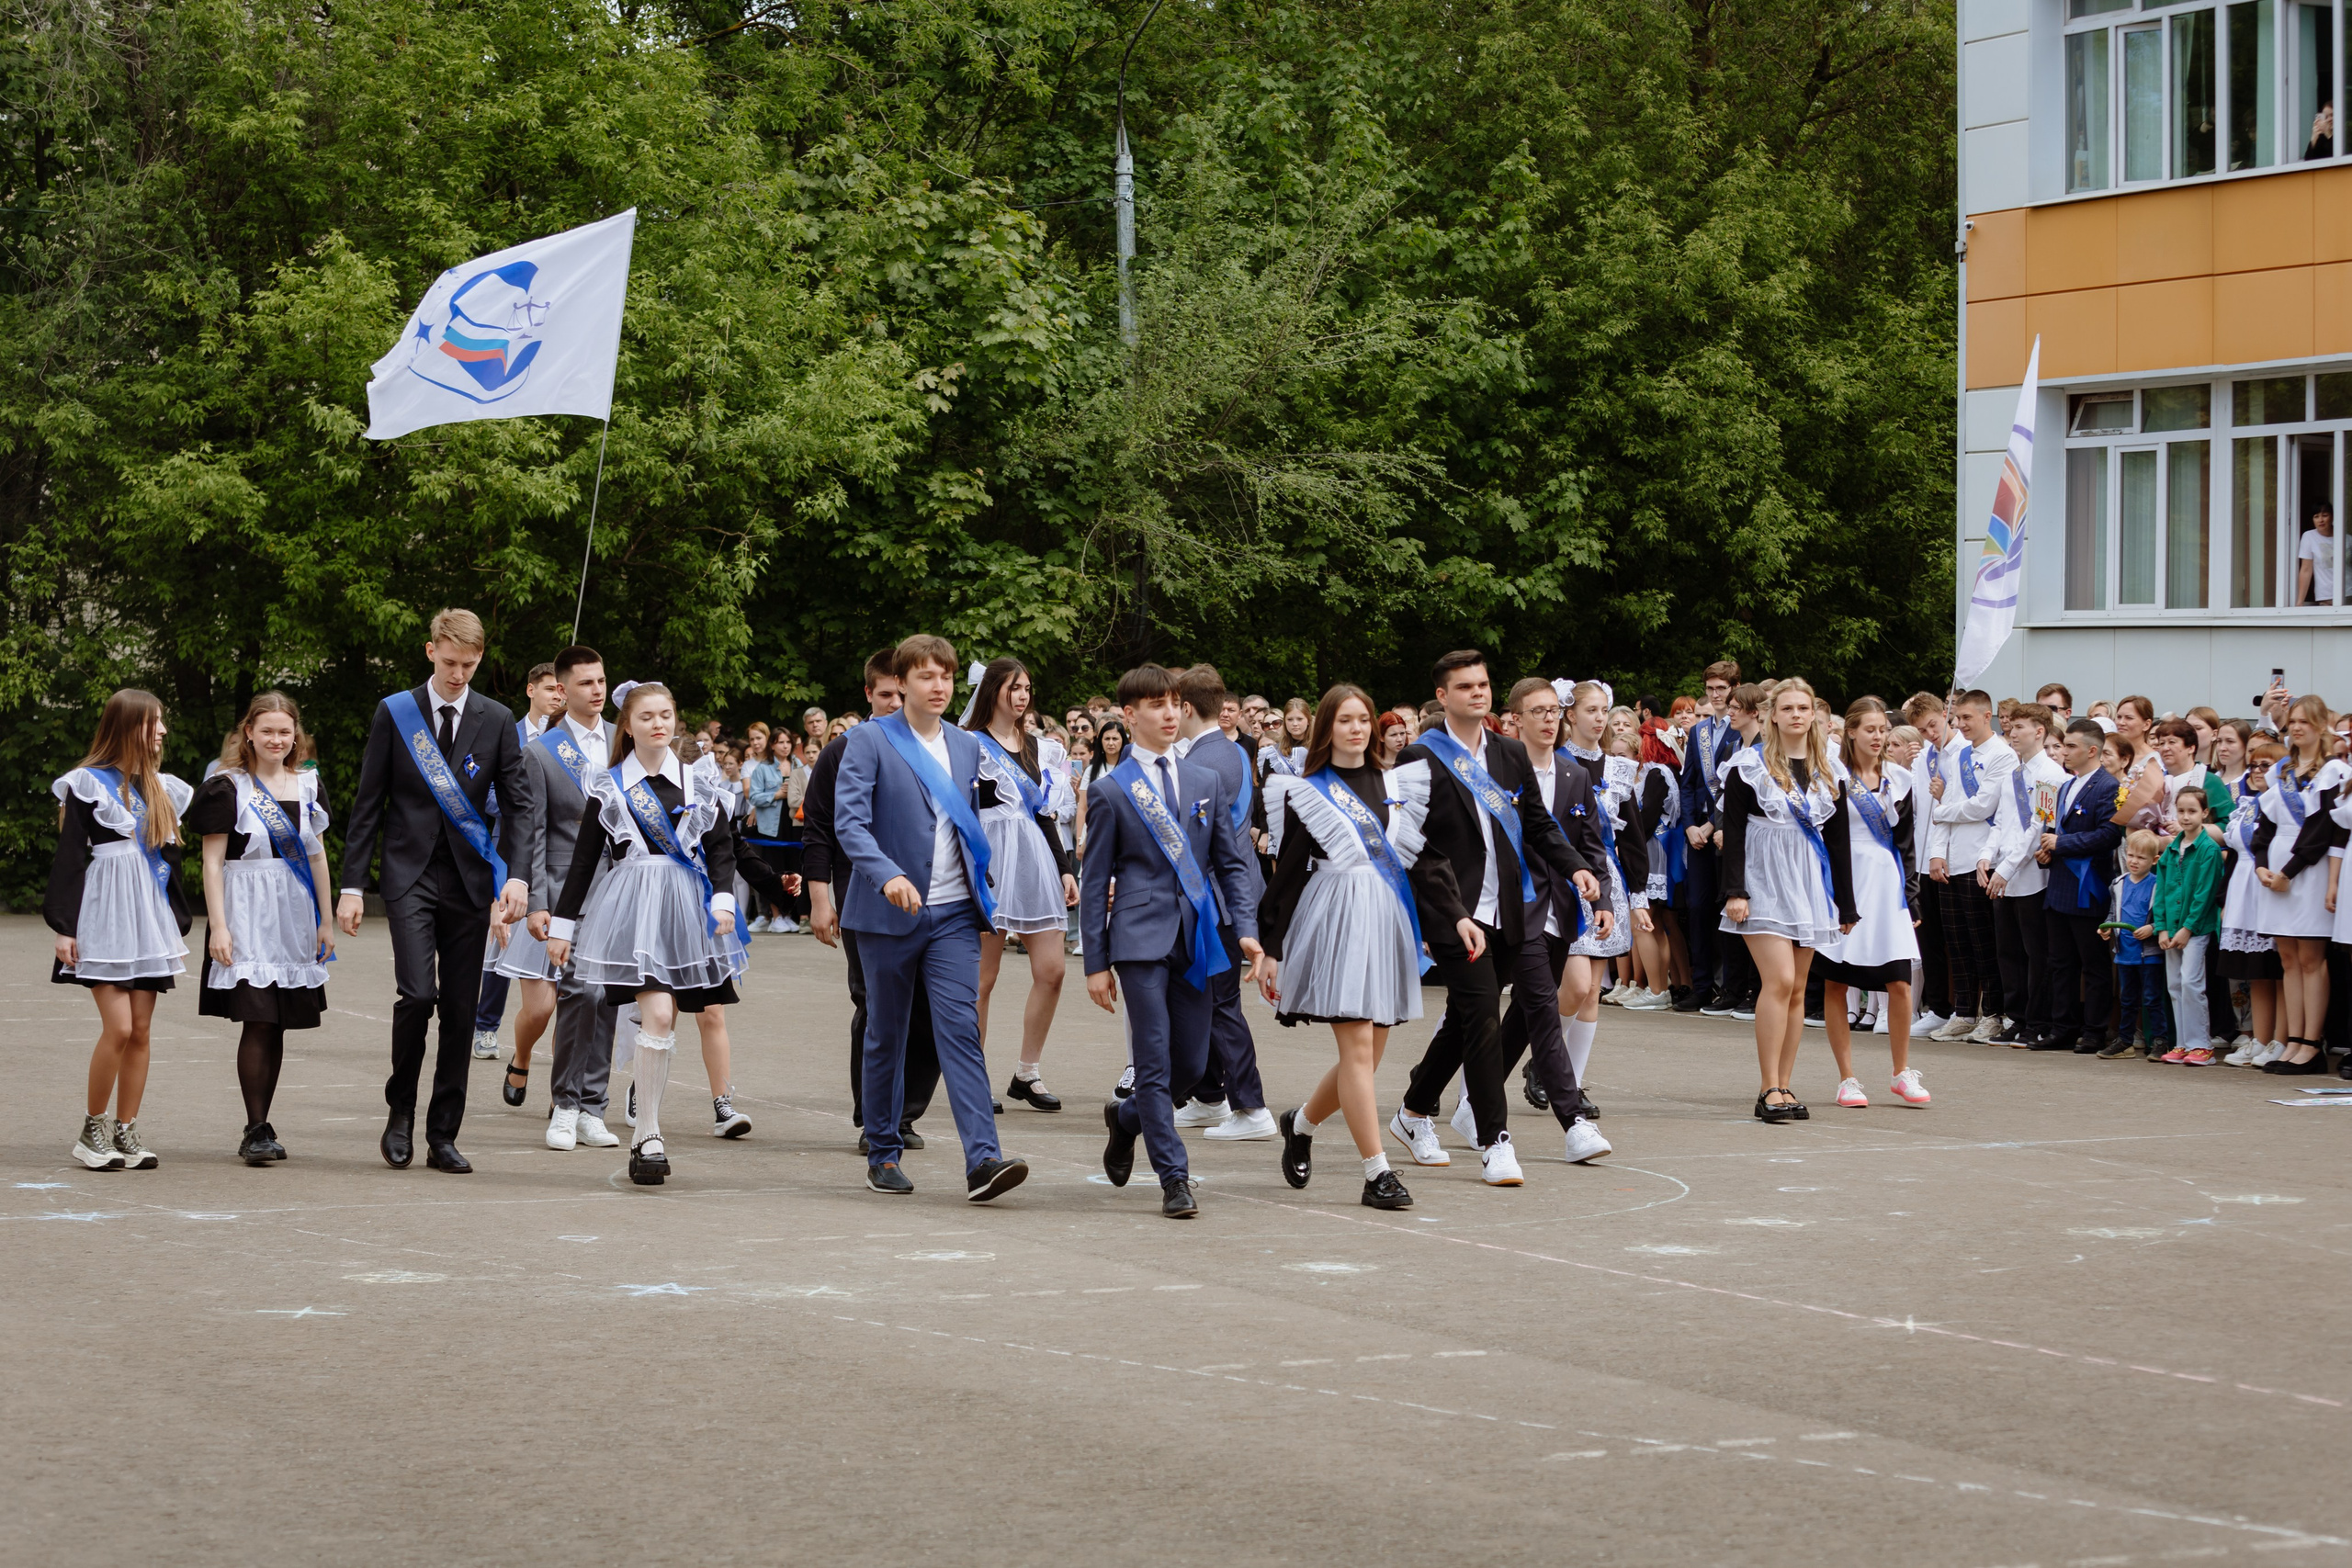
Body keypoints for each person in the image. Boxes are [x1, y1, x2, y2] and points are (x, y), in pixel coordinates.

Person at [833, 635, 1030, 1202]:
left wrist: (982, 882)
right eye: (925, 677)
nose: (938, 686)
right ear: (902, 685)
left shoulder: (966, 747)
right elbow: (850, 824)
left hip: (952, 915)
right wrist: (887, 874)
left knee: (960, 1032)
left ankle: (984, 1159)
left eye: (945, 676)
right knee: (886, 1035)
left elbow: (965, 821)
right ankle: (884, 1150)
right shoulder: (868, 741)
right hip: (885, 912)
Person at [1386, 650, 1593, 1186]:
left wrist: (1574, 868)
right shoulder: (1418, 756)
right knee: (1480, 1017)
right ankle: (1493, 1140)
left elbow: (1539, 826)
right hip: (1456, 914)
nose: (1477, 693)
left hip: (1512, 907)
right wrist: (1450, 913)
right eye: (1464, 686)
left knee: (1465, 1017)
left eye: (1482, 684)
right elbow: (1417, 847)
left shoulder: (1507, 752)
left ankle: (1413, 1111)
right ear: (1443, 696)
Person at [337, 609, 532, 1176]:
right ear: (430, 652)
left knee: (460, 1010)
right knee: (419, 995)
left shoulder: (495, 719)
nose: (458, 675)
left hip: (471, 878)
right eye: (450, 663)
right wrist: (353, 885)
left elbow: (518, 804)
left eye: (470, 665)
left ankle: (443, 1134)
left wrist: (515, 876)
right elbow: (368, 801)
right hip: (409, 874)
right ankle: (399, 1114)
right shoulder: (396, 712)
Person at [1081, 663, 1265, 1219]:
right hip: (1138, 939)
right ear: (1129, 716)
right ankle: (1173, 1177)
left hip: (1200, 936)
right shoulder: (1111, 791)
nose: (1169, 713)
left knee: (1189, 1067)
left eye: (1174, 703)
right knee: (1155, 1060)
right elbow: (1094, 884)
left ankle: (1129, 1118)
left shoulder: (1204, 781)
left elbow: (1231, 867)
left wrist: (1248, 931)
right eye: (1156, 705)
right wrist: (1095, 961)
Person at [543, 682, 745, 1185]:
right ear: (627, 727)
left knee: (668, 1018)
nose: (659, 724)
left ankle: (644, 1131)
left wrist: (723, 898)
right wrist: (563, 927)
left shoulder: (699, 781)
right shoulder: (609, 784)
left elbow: (721, 848)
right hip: (633, 906)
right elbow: (585, 862)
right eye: (647, 716)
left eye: (667, 715)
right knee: (655, 1012)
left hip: (683, 908)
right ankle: (649, 1132)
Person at [1261, 685, 1432, 1209]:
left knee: (1369, 1056)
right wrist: (1271, 947)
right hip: (1335, 918)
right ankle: (1377, 1173)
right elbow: (1286, 873)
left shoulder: (1397, 783)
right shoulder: (1306, 789)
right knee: (1356, 1050)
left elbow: (1421, 866)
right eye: (1345, 720)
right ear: (1326, 729)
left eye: (1364, 720)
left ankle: (1303, 1122)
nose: (1357, 729)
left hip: (1386, 920)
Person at [50, 689, 194, 1170]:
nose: (162, 732)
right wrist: (64, 928)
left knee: (142, 1031)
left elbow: (170, 862)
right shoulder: (86, 782)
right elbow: (70, 859)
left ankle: (126, 1131)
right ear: (128, 725)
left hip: (146, 920)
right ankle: (93, 1130)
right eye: (154, 723)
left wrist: (175, 917)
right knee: (120, 1026)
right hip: (105, 915)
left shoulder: (162, 787)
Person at [805, 649, 940, 1154]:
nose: (895, 702)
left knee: (931, 1008)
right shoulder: (846, 748)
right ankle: (874, 1116)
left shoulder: (938, 747)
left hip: (934, 898)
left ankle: (906, 1112)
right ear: (869, 694)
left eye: (902, 694)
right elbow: (818, 827)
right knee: (876, 1005)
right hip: (861, 893)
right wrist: (821, 899)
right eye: (886, 695)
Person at [192, 693, 335, 1165]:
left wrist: (326, 921)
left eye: (285, 731)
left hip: (293, 911)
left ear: (296, 735)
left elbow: (315, 855)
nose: (277, 739)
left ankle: (262, 1123)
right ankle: (255, 1128)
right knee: (256, 1015)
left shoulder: (308, 785)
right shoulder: (226, 786)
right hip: (245, 907)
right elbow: (212, 863)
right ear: (248, 732)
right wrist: (218, 927)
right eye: (267, 730)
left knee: (276, 1020)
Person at [498, 646, 626, 1151]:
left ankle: (595, 1106)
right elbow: (528, 831)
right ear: (562, 690)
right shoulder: (542, 750)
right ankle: (567, 1103)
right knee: (580, 993)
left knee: (609, 996)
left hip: (620, 886)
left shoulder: (624, 740)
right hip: (564, 887)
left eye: (602, 681)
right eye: (586, 683)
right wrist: (538, 903)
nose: (597, 691)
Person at [1488, 677, 1614, 1162]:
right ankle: (1573, 1120)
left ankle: (1442, 1095)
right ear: (1514, 718)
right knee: (1543, 1005)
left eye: (1553, 711)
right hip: (1511, 905)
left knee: (1521, 1011)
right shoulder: (1496, 772)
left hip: (1561, 905)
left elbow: (1589, 841)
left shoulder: (1573, 774)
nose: (1548, 719)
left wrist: (1599, 897)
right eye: (1537, 711)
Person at [1720, 678, 1856, 1123]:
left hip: (1807, 881)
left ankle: (1784, 1083)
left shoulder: (1829, 767)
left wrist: (1846, 903)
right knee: (1777, 980)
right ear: (1771, 715)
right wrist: (1735, 891)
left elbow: (1839, 841)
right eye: (1788, 708)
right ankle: (1766, 1088)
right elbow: (1735, 831)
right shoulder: (1749, 764)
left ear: (1814, 715)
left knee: (1798, 988)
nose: (1797, 714)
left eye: (1804, 707)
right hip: (1762, 878)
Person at [961, 657, 1080, 1112]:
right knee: (982, 979)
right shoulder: (968, 744)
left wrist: (1065, 867)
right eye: (1014, 687)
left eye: (1027, 686)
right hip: (987, 863)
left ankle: (1027, 1072)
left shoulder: (1040, 747)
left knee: (1052, 971)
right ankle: (973, 1079)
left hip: (1034, 861)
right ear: (993, 690)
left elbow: (1044, 813)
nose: (1023, 694)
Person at [1170, 664, 1279, 1141]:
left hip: (1214, 898)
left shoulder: (1204, 761)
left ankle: (1251, 1106)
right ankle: (1211, 1096)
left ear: (1186, 707)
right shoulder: (1231, 751)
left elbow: (1193, 842)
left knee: (1219, 1002)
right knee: (1207, 999)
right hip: (1229, 894)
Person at [1815, 697, 1926, 1108]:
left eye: (1883, 730)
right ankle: (1847, 1078)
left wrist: (1911, 898)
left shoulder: (1901, 779)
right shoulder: (1832, 777)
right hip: (1843, 881)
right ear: (1852, 733)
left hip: (1887, 883)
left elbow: (1907, 843)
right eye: (1870, 730)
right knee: (1836, 980)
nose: (1878, 737)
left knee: (1899, 980)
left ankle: (1901, 1072)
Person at [470, 661, 565, 1060]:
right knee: (503, 933)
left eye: (561, 692)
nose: (556, 698)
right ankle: (486, 1025)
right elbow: (486, 794)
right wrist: (521, 803)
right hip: (506, 844)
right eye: (549, 690)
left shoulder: (570, 739)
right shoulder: (507, 733)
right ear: (531, 691)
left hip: (556, 850)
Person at [1923, 689, 2017, 1043]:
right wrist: (1936, 851)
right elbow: (1944, 809)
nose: (1960, 725)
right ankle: (1964, 1012)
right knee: (1956, 942)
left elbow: (1982, 806)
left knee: (1982, 942)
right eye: (1957, 719)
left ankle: (1992, 1013)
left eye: (1967, 718)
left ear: (1987, 715)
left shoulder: (2002, 756)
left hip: (1982, 858)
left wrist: (1941, 808)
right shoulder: (1957, 754)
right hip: (1952, 858)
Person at [2252, 694, 2336, 1074]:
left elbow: (2324, 829)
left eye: (2305, 721)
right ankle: (2292, 1041)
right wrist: (2260, 865)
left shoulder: (2332, 771)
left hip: (2308, 870)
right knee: (2287, 958)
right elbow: (2264, 824)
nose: (2297, 727)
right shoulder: (2282, 771)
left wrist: (2291, 871)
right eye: (2293, 722)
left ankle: (2311, 1043)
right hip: (2276, 871)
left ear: (2321, 726)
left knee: (2310, 958)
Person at [2041, 719, 2125, 1054]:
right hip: (2060, 882)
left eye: (2072, 746)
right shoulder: (2065, 786)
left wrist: (2062, 844)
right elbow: (2054, 829)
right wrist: (2047, 851)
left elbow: (2109, 835)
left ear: (2093, 750)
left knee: (2093, 965)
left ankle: (2094, 1030)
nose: (2065, 751)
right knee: (2060, 962)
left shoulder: (2108, 786)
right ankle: (2063, 1027)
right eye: (2064, 745)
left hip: (2088, 885)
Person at [1989, 703, 2064, 1047]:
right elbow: (2001, 821)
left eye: (2020, 727)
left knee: (2037, 953)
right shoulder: (2012, 774)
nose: (2012, 732)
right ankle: (2015, 1017)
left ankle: (2036, 1020)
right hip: (2004, 874)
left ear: (2040, 731)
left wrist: (2005, 868)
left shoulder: (2051, 774)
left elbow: (2038, 826)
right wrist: (1986, 857)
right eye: (2011, 727)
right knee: (2009, 952)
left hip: (2033, 875)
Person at [1679, 660, 1740, 1015]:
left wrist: (1715, 825)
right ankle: (1701, 985)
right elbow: (1688, 783)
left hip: (1726, 832)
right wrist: (1689, 824)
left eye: (1722, 689)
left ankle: (1733, 986)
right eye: (1711, 689)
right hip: (1698, 833)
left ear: (1734, 688)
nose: (1716, 695)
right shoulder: (1700, 731)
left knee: (1729, 909)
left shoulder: (1744, 728)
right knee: (1698, 908)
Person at [2220, 740, 2286, 1064]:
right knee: (2255, 970)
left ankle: (2281, 1039)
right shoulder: (2246, 803)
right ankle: (2260, 1038)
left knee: (2278, 969)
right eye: (2254, 765)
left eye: (2265, 766)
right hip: (2243, 887)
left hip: (2269, 884)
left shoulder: (2281, 804)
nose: (2257, 772)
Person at [2152, 787, 2223, 1064]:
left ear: (2205, 813)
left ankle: (2201, 1044)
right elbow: (2161, 893)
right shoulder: (2170, 849)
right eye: (2181, 811)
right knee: (2175, 985)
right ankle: (2181, 1043)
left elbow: (2205, 894)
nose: (2185, 816)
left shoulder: (2208, 849)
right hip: (2171, 927)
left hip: (2195, 928)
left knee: (2193, 983)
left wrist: (2187, 928)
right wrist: (2163, 927)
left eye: (2192, 811)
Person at [2103, 831, 2170, 1061]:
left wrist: (2152, 928)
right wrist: (2106, 928)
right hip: (2124, 954)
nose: (2133, 861)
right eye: (2130, 855)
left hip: (2149, 954)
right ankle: (2125, 1041)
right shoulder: (2118, 884)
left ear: (2154, 860)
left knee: (2152, 998)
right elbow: (2113, 912)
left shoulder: (2157, 884)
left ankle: (2160, 1041)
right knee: (2127, 1000)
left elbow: (2163, 915)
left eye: (2141, 858)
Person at [2297, 503, 2336, 605]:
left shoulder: (2348, 539)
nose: (2321, 520)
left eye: (2325, 515)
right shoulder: (2309, 537)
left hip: (2349, 594)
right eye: (2316, 516)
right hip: (2326, 597)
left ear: (2332, 517)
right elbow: (2306, 570)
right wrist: (2300, 601)